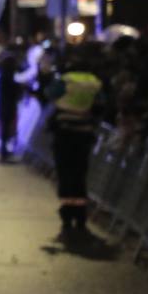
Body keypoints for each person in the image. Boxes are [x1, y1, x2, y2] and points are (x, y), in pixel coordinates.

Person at [47, 48, 104, 240]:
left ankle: (66, 216)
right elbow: (101, 103)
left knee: (65, 173)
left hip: (64, 132)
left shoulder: (66, 79)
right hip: (84, 134)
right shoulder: (94, 82)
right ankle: (80, 218)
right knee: (80, 174)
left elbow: (49, 93)